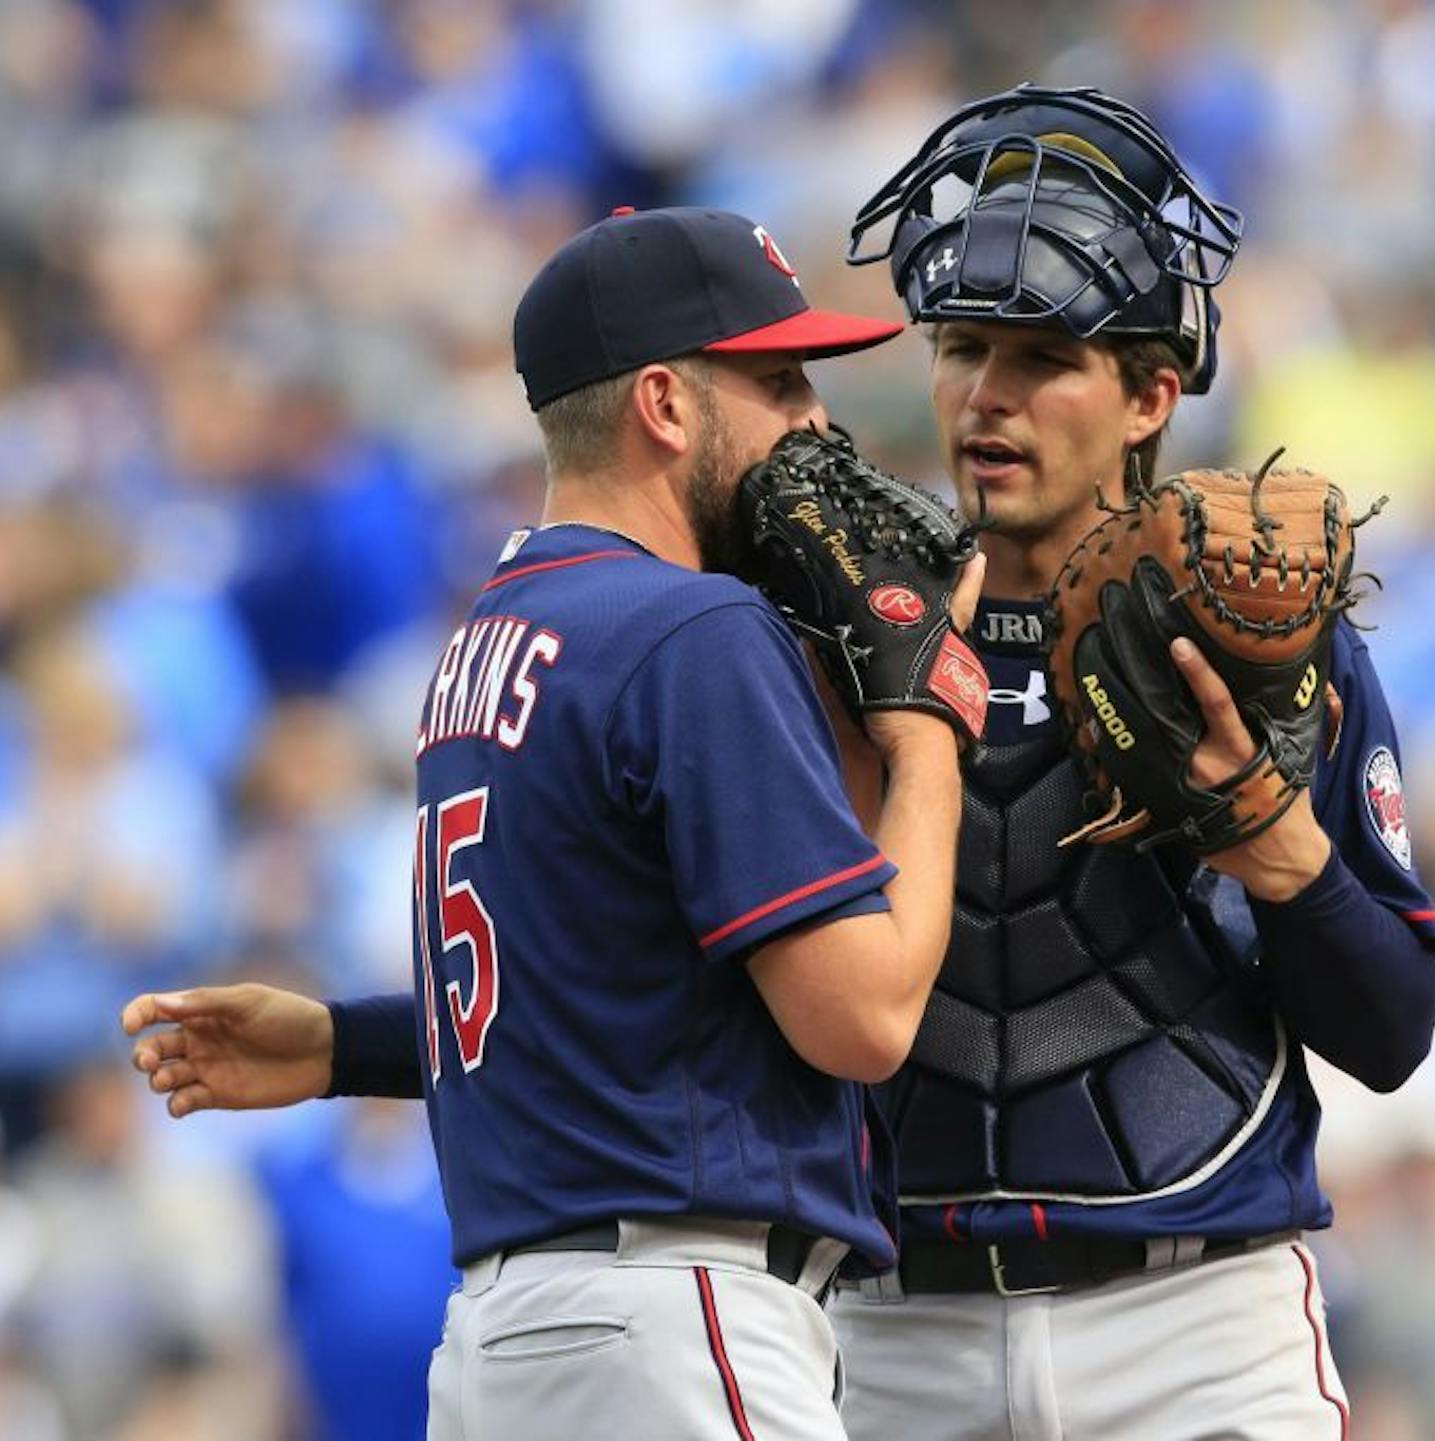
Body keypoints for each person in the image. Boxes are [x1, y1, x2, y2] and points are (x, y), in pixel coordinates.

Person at [128, 88, 1435, 1440]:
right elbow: (674, 1006)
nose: (984, 397)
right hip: (887, 1330)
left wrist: (1273, 843)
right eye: (960, 349)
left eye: (1039, 358)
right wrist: (355, 1042)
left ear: (1150, 394)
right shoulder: (811, 615)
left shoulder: (1255, 637)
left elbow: (1394, 1031)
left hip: (1196, 1316)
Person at [132, 205, 981, 1441]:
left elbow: (595, 1001)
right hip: (678, 1325)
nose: (817, 425)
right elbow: (864, 1016)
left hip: (507, 1346)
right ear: (665, 404)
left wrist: (345, 1047)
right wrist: (926, 732)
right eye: (781, 381)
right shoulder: (694, 632)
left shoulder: (485, 642)